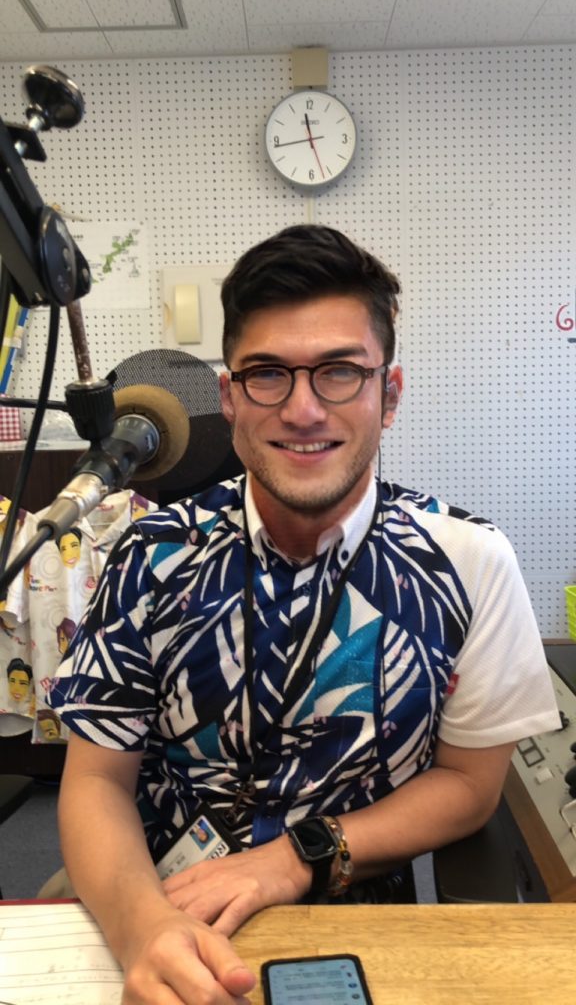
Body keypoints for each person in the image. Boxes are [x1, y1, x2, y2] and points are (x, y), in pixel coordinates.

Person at [48, 224, 559, 1005]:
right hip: (154, 897)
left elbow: (470, 785)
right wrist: (142, 927)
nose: (304, 409)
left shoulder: (470, 562)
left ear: (389, 395)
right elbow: (96, 783)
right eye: (267, 375)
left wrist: (296, 857)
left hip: (351, 911)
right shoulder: (151, 553)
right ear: (230, 399)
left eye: (340, 373)